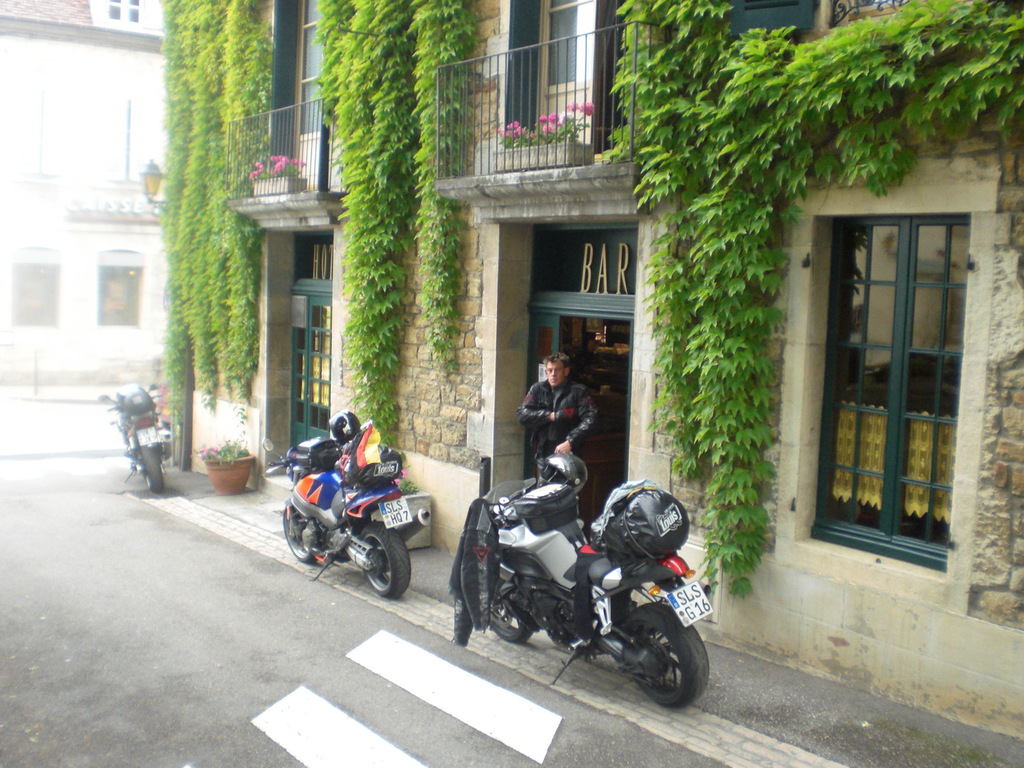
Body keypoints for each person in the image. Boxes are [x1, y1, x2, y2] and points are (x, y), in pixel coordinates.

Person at [517, 352, 599, 472]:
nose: (553, 374)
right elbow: (522, 414)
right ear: (546, 372)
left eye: (557, 370)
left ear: (566, 371)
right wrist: (550, 416)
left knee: (567, 482)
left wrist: (571, 441)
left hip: (569, 450)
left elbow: (592, 419)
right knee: (545, 482)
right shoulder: (537, 389)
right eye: (550, 370)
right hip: (544, 449)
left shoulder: (579, 392)